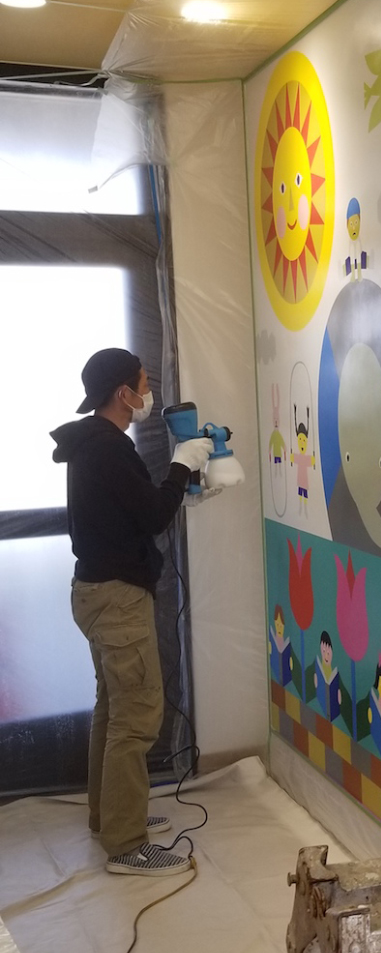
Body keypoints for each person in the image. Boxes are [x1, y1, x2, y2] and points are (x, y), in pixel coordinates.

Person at [51, 348, 211, 877]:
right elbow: (150, 515)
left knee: (113, 708)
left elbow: (134, 510)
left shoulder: (93, 443)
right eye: (143, 384)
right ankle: (126, 844)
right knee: (137, 717)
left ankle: (110, 817)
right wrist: (181, 466)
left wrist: (179, 487)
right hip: (117, 598)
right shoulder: (108, 448)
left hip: (95, 592)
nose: (148, 394)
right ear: (122, 393)